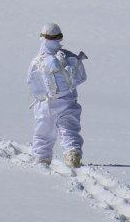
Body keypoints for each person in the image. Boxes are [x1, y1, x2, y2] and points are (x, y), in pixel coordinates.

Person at [26, 23, 87, 168]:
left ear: (42, 38)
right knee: (69, 129)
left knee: (43, 132)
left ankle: (42, 159)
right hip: (68, 101)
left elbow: (31, 82)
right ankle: (73, 154)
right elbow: (81, 77)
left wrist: (41, 96)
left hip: (45, 104)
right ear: (60, 38)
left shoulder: (37, 61)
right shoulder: (68, 56)